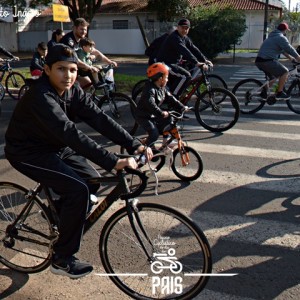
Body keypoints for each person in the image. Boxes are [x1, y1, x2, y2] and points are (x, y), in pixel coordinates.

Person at [4, 44, 152, 279]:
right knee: (78, 190)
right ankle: (62, 259)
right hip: (27, 152)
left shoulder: (73, 91)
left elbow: (98, 117)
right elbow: (69, 132)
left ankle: (61, 217)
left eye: (73, 70)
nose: (68, 75)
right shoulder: (40, 96)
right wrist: (112, 161)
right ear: (47, 69)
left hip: (56, 147)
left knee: (91, 181)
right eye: (61, 69)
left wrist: (134, 143)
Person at [134, 62, 187, 148]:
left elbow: (171, 98)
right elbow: (151, 104)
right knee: (154, 133)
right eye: (166, 77)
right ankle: (145, 152)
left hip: (153, 114)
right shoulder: (149, 90)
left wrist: (182, 107)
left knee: (170, 120)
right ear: (160, 78)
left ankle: (165, 143)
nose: (167, 80)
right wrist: (161, 112)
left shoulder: (161, 88)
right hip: (143, 116)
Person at [156, 18, 212, 98]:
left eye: (187, 28)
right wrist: (197, 62)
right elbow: (185, 51)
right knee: (185, 76)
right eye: (182, 27)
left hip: (174, 63)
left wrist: (204, 60)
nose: (184, 30)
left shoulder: (184, 38)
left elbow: (193, 48)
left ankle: (178, 91)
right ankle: (173, 98)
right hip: (165, 63)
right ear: (178, 27)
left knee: (187, 71)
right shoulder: (175, 37)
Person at [60, 17, 117, 87]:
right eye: (81, 29)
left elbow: (95, 51)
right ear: (74, 28)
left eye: (85, 29)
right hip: (63, 70)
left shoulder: (82, 39)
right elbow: (75, 59)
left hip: (73, 68)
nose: (84, 32)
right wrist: (90, 67)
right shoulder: (69, 40)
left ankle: (83, 97)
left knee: (88, 83)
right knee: (79, 86)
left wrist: (109, 61)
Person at [255, 22, 300, 100]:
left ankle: (263, 93)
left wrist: (291, 59)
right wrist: (298, 57)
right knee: (285, 72)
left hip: (260, 61)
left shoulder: (272, 36)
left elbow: (282, 50)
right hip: (267, 61)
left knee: (273, 77)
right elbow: (289, 49)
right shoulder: (281, 37)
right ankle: (279, 93)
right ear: (285, 30)